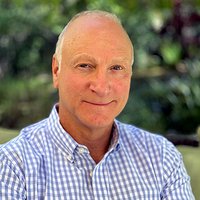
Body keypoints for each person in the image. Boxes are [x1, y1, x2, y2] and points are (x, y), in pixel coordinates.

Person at [0, 10, 194, 199]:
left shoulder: (161, 158)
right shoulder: (13, 168)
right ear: (56, 70)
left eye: (116, 68)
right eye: (85, 65)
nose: (101, 87)